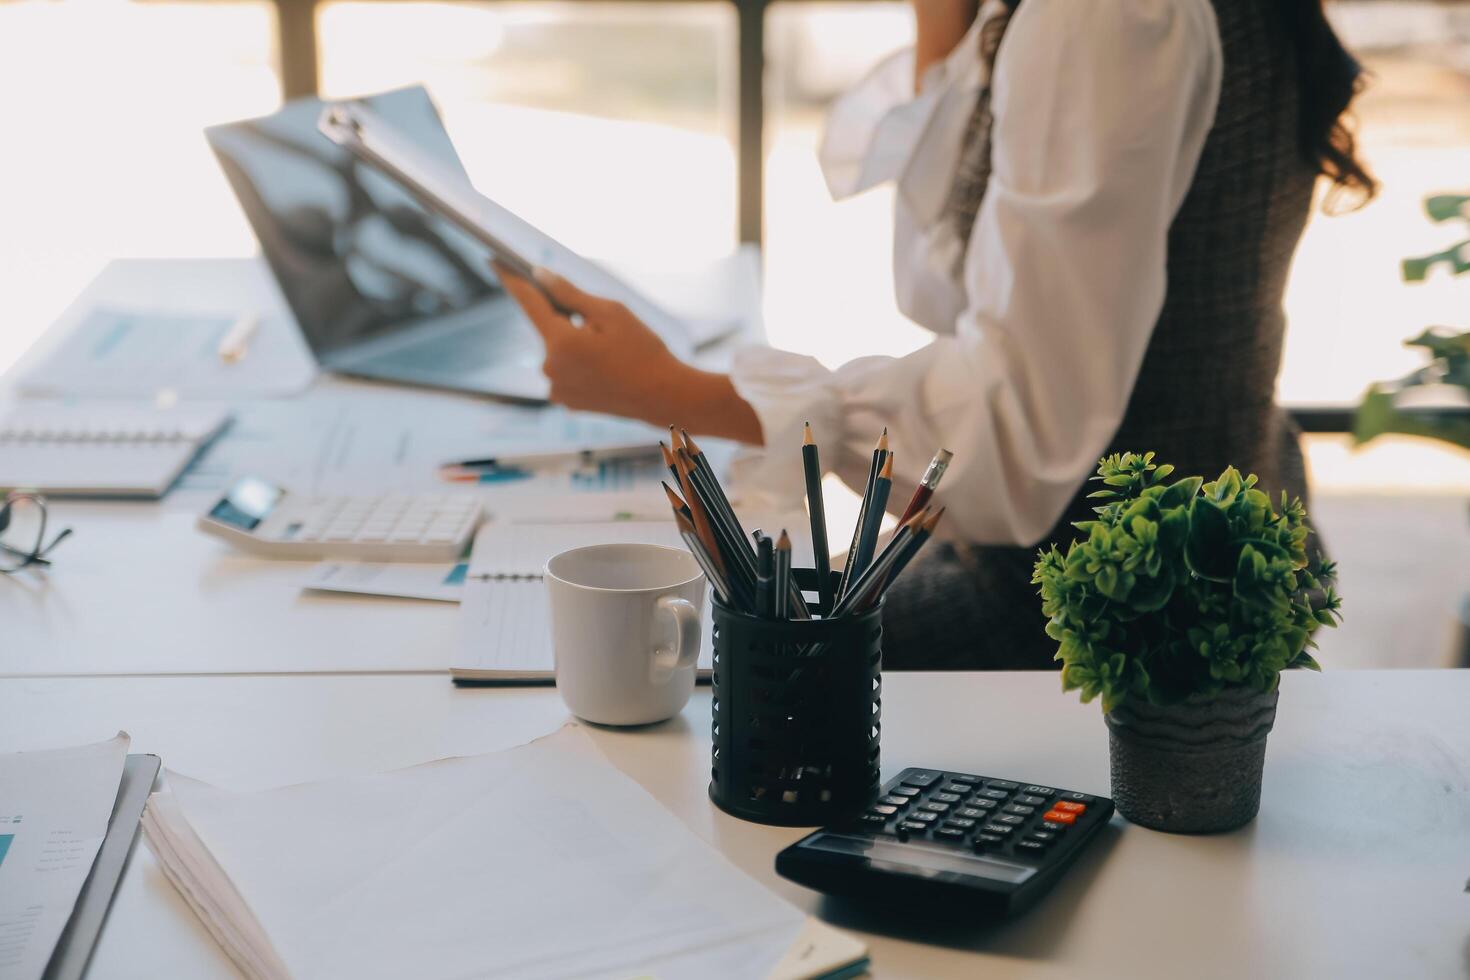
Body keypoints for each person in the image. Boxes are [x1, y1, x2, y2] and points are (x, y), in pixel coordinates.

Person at [497, 0, 1377, 669]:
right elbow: (948, 286)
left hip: (1111, 609)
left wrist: (673, 394)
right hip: (1196, 545)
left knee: (673, 666)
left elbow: (1015, 436)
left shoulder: (1101, 18)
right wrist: (946, 27)